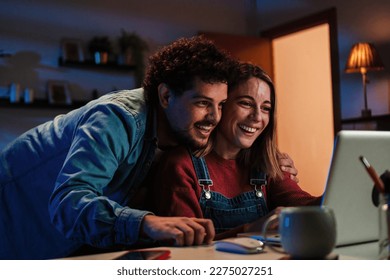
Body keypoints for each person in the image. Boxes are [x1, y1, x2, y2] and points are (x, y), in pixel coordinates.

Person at [0, 36, 239, 259]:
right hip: (11, 215)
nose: (215, 116)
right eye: (203, 103)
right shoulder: (117, 118)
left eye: (221, 104)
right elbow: (68, 203)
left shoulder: (184, 133)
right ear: (166, 96)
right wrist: (146, 223)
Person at [151, 62, 322, 237]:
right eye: (246, 104)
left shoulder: (267, 163)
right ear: (222, 105)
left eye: (266, 108)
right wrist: (250, 230)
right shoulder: (181, 165)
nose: (257, 117)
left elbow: (302, 203)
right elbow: (186, 247)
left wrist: (337, 193)